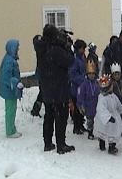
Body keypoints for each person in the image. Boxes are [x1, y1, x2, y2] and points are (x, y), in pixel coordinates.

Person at [34, 24, 75, 154]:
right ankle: (61, 144)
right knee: (61, 117)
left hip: (47, 88)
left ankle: (47, 142)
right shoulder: (55, 50)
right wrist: (67, 47)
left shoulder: (41, 48)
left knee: (49, 116)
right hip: (59, 88)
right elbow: (69, 61)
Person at [0, 39, 24, 138]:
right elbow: (6, 77)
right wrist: (16, 83)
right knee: (10, 110)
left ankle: (12, 128)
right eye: (17, 48)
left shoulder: (10, 59)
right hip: (9, 89)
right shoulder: (9, 61)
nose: (18, 49)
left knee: (12, 109)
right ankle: (10, 131)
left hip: (10, 89)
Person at [94, 75, 122, 154]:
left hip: (114, 115)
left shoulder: (113, 96)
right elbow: (100, 109)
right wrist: (108, 117)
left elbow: (118, 104)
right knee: (102, 131)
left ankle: (112, 146)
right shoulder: (102, 98)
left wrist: (121, 109)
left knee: (114, 132)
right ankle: (102, 143)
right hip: (104, 118)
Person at [77, 60, 100, 140]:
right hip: (88, 105)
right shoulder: (84, 84)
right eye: (90, 74)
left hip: (96, 104)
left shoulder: (97, 83)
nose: (92, 76)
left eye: (93, 74)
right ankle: (90, 132)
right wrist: (81, 104)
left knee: (97, 120)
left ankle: (97, 132)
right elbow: (80, 95)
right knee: (90, 120)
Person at [69, 39, 88, 135]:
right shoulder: (75, 60)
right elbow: (73, 75)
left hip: (81, 87)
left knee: (81, 107)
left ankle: (80, 124)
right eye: (82, 49)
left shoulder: (82, 59)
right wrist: (83, 80)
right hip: (76, 88)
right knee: (77, 108)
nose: (84, 51)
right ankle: (76, 126)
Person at [110, 63, 122, 136]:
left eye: (118, 74)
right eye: (115, 75)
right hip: (114, 103)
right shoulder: (111, 84)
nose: (117, 76)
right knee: (116, 117)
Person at [31, 35, 43, 118]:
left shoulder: (39, 49)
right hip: (42, 74)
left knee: (42, 92)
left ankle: (36, 108)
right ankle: (36, 108)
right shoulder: (40, 50)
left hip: (40, 73)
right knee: (42, 93)